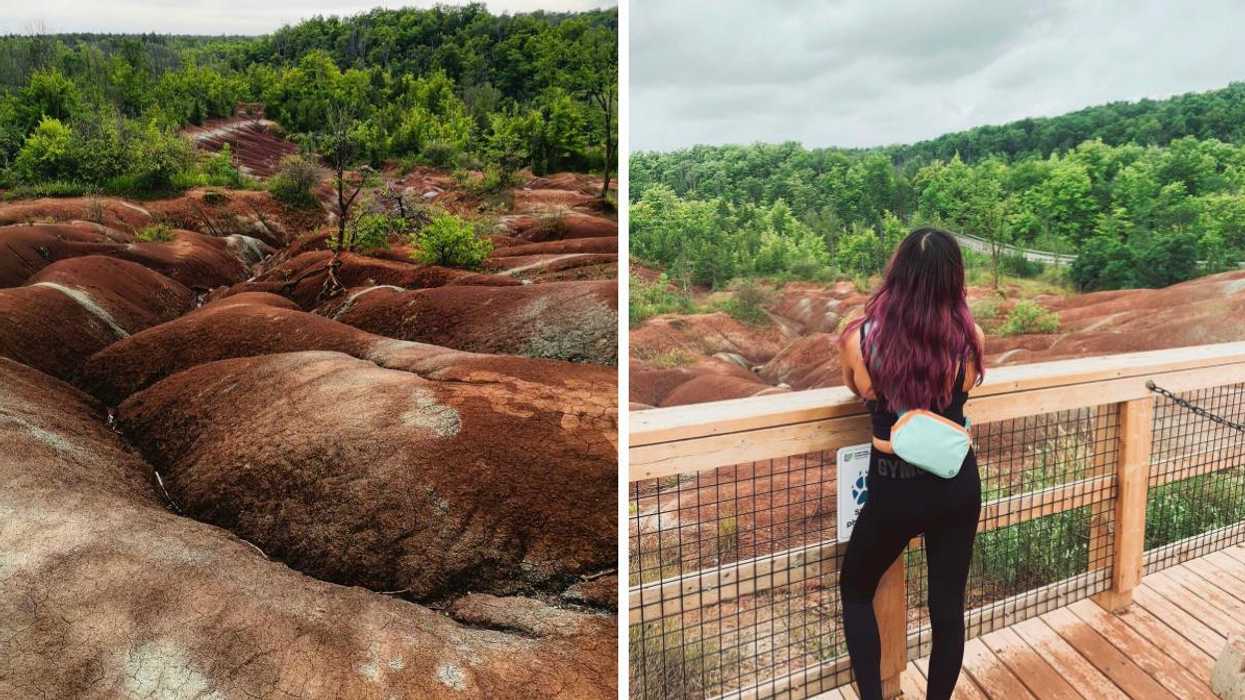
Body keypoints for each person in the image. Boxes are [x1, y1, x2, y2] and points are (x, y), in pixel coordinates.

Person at [836, 227, 986, 700]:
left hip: (896, 488)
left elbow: (856, 388)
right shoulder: (969, 337)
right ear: (953, 280)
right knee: (946, 610)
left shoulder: (860, 339)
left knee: (856, 591)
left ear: (896, 274)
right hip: (955, 483)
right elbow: (961, 392)